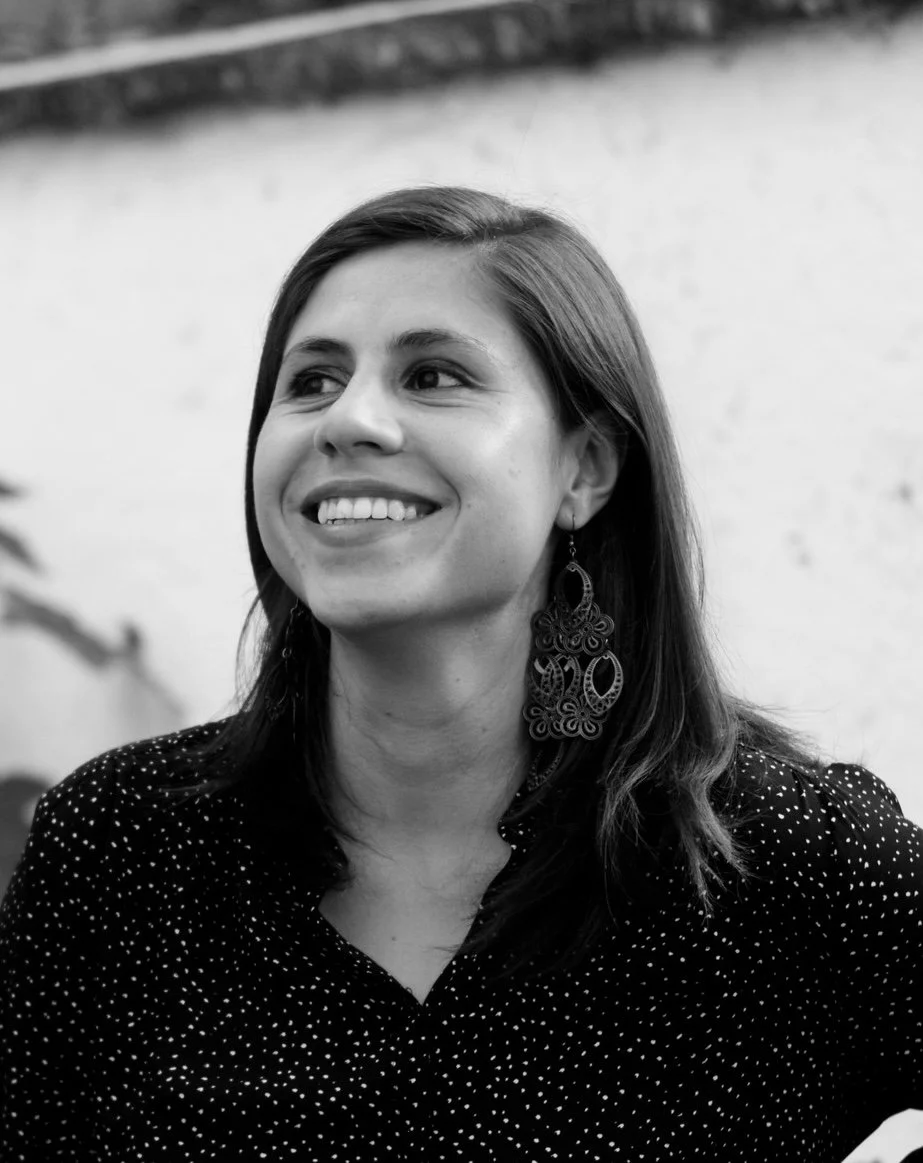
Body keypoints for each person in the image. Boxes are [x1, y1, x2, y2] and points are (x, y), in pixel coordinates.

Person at [0, 186, 920, 1162]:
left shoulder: (771, 860)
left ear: (584, 471)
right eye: (309, 380)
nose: (347, 420)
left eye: (432, 375)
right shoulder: (120, 847)